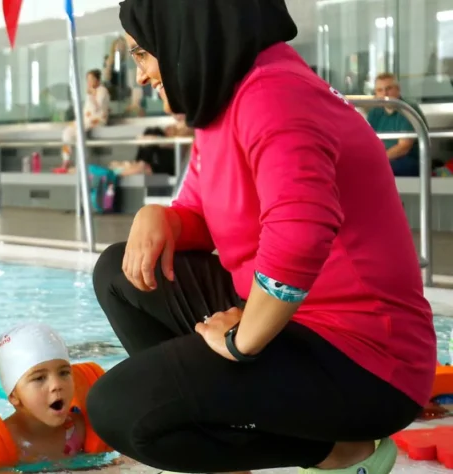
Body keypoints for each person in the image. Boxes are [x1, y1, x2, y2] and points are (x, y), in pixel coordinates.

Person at [85, 1, 434, 473]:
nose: (142, 74)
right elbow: (201, 212)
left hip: (365, 360)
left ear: (185, 32)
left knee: (120, 409)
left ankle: (337, 452)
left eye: (143, 53)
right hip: (296, 321)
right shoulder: (224, 99)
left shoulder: (273, 94)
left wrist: (241, 341)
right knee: (119, 270)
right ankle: (224, 443)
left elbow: (301, 231)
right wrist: (161, 218)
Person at [0, 323, 91, 474]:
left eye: (64, 373)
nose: (56, 384)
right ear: (14, 396)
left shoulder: (81, 428)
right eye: (39, 378)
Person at [366, 73, 427, 177]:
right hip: (384, 158)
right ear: (375, 94)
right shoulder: (375, 112)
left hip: (408, 160)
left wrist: (377, 160)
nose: (385, 93)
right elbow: (368, 142)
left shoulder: (408, 109)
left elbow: (403, 147)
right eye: (380, 90)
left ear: (398, 89)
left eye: (389, 88)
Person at [58, 70, 111, 172]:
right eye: (88, 80)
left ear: (97, 79)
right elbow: (86, 111)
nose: (89, 82)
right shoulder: (90, 92)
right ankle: (66, 160)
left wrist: (91, 94)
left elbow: (97, 108)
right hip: (85, 121)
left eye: (91, 79)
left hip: (97, 120)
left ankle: (81, 162)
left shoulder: (102, 90)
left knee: (79, 134)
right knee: (67, 133)